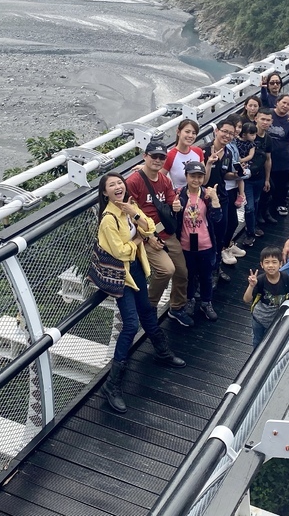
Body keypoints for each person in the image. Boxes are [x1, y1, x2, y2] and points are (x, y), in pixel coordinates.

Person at [96, 173, 185, 414]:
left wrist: (134, 215)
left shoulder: (129, 208)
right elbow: (122, 251)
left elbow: (148, 226)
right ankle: (112, 385)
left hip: (136, 268)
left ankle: (162, 352)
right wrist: (138, 238)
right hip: (122, 275)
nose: (117, 187)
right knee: (131, 325)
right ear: (105, 193)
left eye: (119, 183)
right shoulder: (108, 220)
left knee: (146, 309)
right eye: (111, 185)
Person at [126, 142, 193, 327]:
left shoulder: (164, 180)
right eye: (153, 156)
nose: (157, 160)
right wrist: (147, 237)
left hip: (164, 231)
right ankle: (149, 306)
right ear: (145, 157)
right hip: (146, 235)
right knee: (166, 270)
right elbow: (128, 214)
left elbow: (171, 200)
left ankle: (177, 307)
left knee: (182, 272)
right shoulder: (133, 182)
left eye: (161, 157)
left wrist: (177, 205)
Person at [176, 161, 224, 323]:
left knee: (206, 276)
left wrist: (215, 200)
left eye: (199, 176)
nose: (196, 180)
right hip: (186, 245)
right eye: (192, 176)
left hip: (205, 244)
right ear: (186, 176)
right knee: (189, 275)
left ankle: (206, 302)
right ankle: (190, 300)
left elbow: (217, 218)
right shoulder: (179, 194)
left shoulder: (207, 195)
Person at [203, 118, 242, 274]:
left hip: (222, 197)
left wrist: (237, 174)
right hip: (206, 199)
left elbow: (224, 174)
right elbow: (200, 179)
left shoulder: (227, 152)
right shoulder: (204, 151)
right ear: (216, 131)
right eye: (224, 131)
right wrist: (209, 163)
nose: (227, 135)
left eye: (231, 133)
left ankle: (216, 267)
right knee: (207, 235)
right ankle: (206, 270)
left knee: (222, 232)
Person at [243, 247, 289, 348]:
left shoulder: (285, 278)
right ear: (262, 265)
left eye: (274, 262)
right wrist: (251, 286)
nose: (270, 265)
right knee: (257, 341)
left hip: (277, 318)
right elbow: (246, 299)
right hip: (259, 319)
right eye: (267, 262)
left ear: (280, 264)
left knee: (273, 341)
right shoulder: (260, 280)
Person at [239, 109, 272, 247]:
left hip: (259, 177)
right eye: (262, 119)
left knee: (256, 202)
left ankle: (253, 226)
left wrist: (267, 179)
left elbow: (268, 159)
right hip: (247, 180)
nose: (264, 122)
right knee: (249, 208)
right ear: (256, 118)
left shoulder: (268, 139)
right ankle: (250, 233)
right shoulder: (246, 137)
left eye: (268, 120)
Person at [264, 95, 289, 223]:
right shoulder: (269, 114)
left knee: (283, 184)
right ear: (277, 102)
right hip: (268, 156)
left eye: (288, 104)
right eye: (283, 102)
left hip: (283, 156)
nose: (285, 106)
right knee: (269, 183)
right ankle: (267, 206)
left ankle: (281, 203)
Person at [163, 119, 204, 190]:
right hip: (179, 197)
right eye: (187, 132)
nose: (190, 135)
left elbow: (204, 180)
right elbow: (160, 179)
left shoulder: (198, 151)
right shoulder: (170, 155)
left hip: (197, 196)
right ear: (178, 132)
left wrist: (209, 163)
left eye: (194, 133)